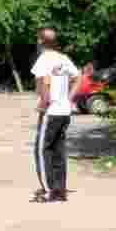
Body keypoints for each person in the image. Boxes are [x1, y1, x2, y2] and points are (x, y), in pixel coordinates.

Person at [30, 27, 81, 203]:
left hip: (51, 112)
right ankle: (60, 189)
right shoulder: (63, 59)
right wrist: (69, 98)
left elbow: (43, 84)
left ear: (40, 41)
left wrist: (43, 104)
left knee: (42, 149)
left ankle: (49, 191)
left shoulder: (43, 59)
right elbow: (78, 78)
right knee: (58, 150)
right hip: (64, 111)